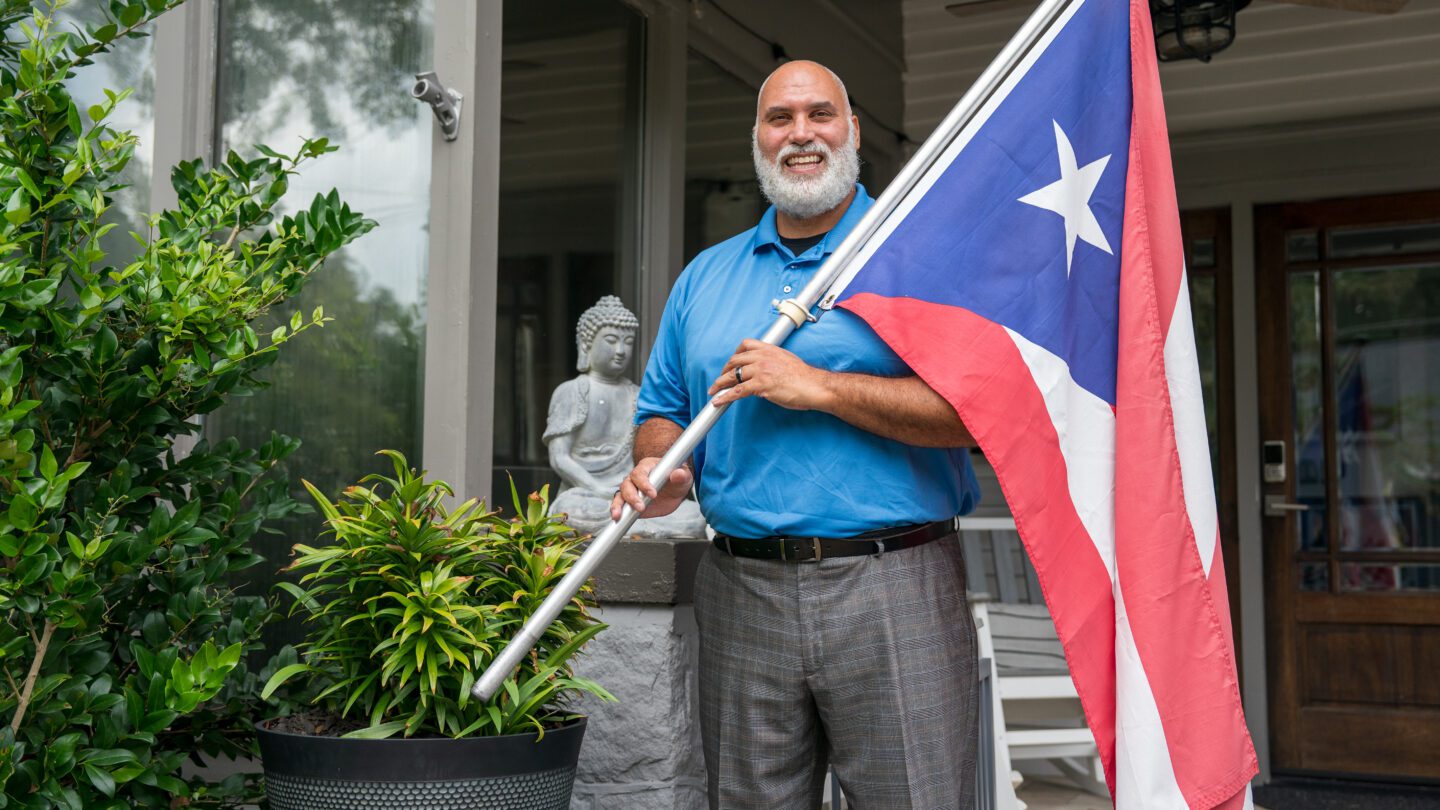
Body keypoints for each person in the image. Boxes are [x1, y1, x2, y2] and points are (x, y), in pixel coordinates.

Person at [611, 59, 983, 809]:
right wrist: (661, 464)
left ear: (852, 131)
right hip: (743, 589)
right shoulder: (706, 277)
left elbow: (969, 415)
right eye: (780, 118)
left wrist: (821, 388)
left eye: (820, 114)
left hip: (894, 585)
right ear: (758, 137)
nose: (800, 134)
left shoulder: (917, 256)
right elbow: (661, 409)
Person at [545, 295, 705, 537]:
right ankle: (636, 527)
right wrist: (597, 488)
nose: (620, 350)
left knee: (694, 515)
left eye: (628, 342)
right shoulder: (572, 391)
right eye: (610, 341)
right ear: (587, 344)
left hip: (630, 494)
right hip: (587, 494)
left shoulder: (636, 395)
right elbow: (559, 457)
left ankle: (631, 526)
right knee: (571, 510)